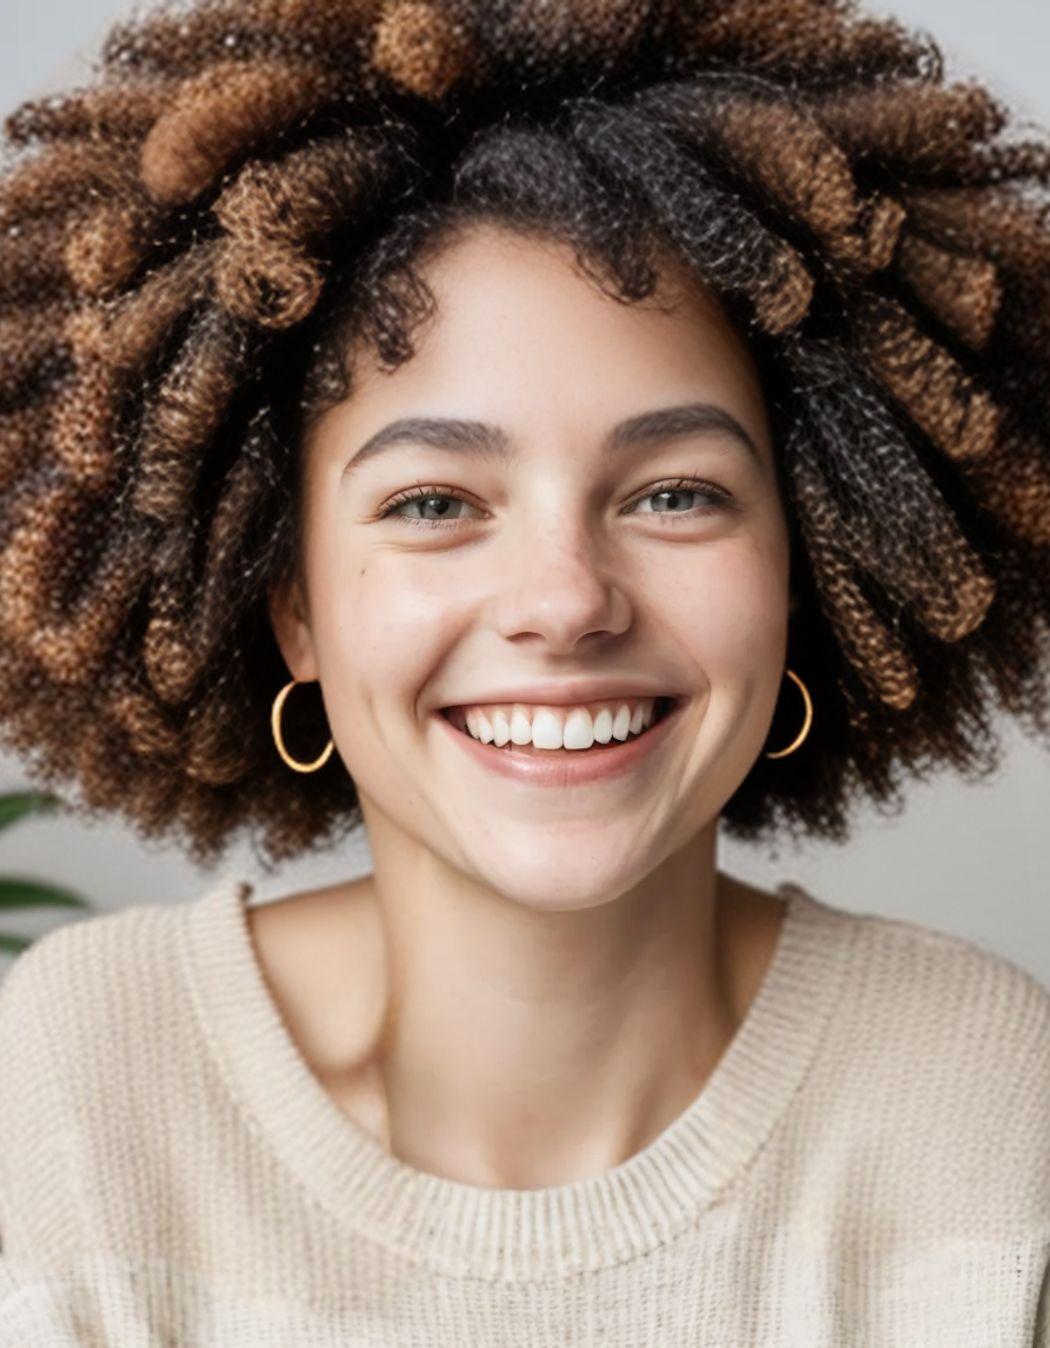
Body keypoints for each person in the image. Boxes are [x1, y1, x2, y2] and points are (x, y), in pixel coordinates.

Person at [0, 0, 1047, 1342]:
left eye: (673, 494)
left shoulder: (978, 1101)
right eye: (434, 502)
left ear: (814, 556)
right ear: (291, 610)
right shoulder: (81, 1087)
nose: (563, 602)